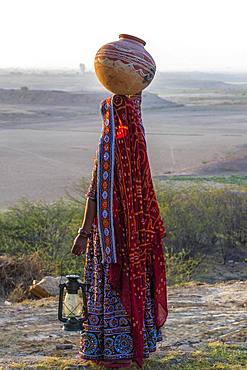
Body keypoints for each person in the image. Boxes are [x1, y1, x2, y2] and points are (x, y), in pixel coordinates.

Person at [71, 93, 168, 369]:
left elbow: (94, 194)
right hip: (129, 238)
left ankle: (115, 349)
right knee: (129, 284)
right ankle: (130, 345)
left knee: (110, 285)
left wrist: (84, 232)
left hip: (110, 238)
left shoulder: (112, 147)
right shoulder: (136, 146)